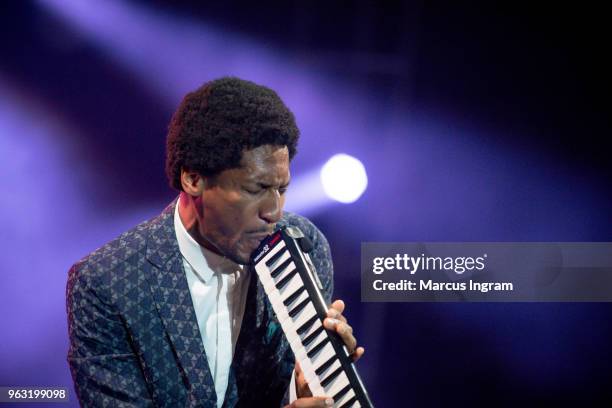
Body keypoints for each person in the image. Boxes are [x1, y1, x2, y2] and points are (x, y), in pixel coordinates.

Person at [66, 77, 364, 407]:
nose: (274, 212)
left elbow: (283, 390)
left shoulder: (304, 244)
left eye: (281, 189)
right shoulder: (107, 283)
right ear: (193, 178)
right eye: (256, 190)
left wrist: (307, 386)